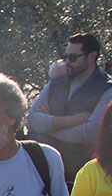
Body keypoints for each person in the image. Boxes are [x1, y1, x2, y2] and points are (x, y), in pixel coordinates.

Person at [27, 33, 112, 186]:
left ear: (92, 57)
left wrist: (50, 127)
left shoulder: (107, 89)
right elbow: (32, 120)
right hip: (44, 169)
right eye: (65, 57)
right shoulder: (56, 83)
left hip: (79, 173)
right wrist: (72, 121)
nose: (67, 62)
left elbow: (91, 132)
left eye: (73, 58)